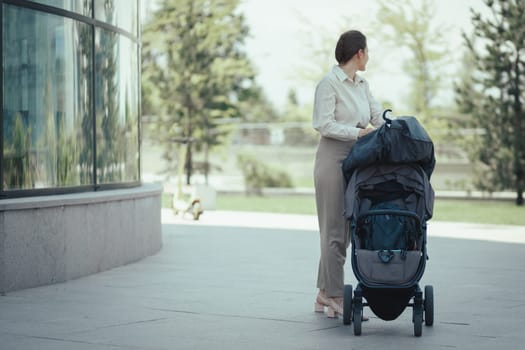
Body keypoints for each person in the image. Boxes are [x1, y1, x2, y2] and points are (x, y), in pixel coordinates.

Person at [312, 29, 387, 318]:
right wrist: (359, 133)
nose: (368, 56)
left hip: (356, 159)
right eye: (367, 51)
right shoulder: (329, 84)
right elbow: (323, 124)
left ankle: (322, 292)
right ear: (359, 53)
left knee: (344, 230)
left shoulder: (362, 84)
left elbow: (376, 115)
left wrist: (391, 124)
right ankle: (333, 295)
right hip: (332, 158)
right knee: (334, 231)